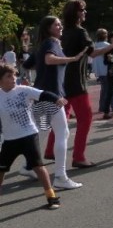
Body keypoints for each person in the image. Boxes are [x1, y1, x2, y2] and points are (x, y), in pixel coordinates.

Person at [50, 0, 113, 169]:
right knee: (85, 118)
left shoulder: (63, 32)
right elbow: (93, 53)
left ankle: (51, 150)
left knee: (61, 118)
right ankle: (79, 157)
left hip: (61, 81)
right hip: (76, 82)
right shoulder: (80, 32)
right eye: (83, 10)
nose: (85, 12)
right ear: (76, 13)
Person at [20, 16, 87, 189]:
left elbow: (28, 65)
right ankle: (60, 176)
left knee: (42, 131)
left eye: (60, 23)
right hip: (51, 96)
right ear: (48, 28)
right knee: (63, 133)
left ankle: (28, 166)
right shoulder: (51, 43)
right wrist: (71, 59)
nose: (60, 26)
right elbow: (49, 60)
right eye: (56, 24)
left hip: (40, 96)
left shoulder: (41, 45)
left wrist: (38, 72)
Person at [0, 63, 66, 209]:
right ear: (1, 80)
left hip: (29, 135)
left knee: (38, 167)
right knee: (1, 169)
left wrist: (56, 99)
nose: (13, 79)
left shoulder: (23, 90)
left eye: (14, 75)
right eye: (9, 76)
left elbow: (43, 94)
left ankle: (51, 197)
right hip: (10, 140)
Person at [92, 29, 113, 114]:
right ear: (106, 36)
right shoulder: (108, 45)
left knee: (104, 89)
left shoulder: (94, 45)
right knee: (111, 89)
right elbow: (111, 59)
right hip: (107, 69)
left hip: (99, 70)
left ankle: (102, 107)